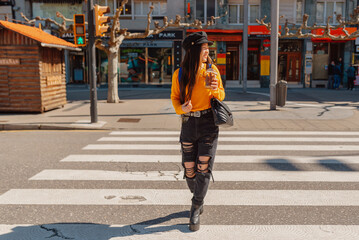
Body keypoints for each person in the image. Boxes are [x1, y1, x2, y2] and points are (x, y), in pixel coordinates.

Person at [170, 31, 225, 232]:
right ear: (193, 51)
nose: (207, 51)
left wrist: (215, 87)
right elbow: (175, 98)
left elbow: (221, 95)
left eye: (207, 48)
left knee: (203, 167)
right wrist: (181, 109)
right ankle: (198, 197)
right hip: (188, 123)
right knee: (189, 169)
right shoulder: (180, 74)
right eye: (203, 48)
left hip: (209, 123)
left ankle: (195, 205)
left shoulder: (212, 70)